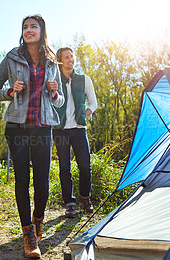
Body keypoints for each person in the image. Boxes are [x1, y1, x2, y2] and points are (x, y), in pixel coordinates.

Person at [0, 15, 64, 259]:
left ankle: (38, 220)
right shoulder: (12, 57)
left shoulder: (52, 61)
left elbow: (60, 100)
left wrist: (54, 93)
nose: (28, 30)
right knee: (23, 179)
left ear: (42, 31)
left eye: (33, 26)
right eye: (25, 27)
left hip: (43, 126)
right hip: (17, 127)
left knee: (42, 181)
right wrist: (10, 91)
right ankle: (28, 234)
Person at [53, 47, 97, 218]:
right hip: (60, 130)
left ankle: (84, 197)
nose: (70, 59)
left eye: (72, 57)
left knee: (85, 166)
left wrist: (85, 114)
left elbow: (93, 103)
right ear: (60, 61)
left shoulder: (84, 79)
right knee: (64, 167)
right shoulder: (54, 80)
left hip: (79, 129)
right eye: (66, 57)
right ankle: (69, 203)